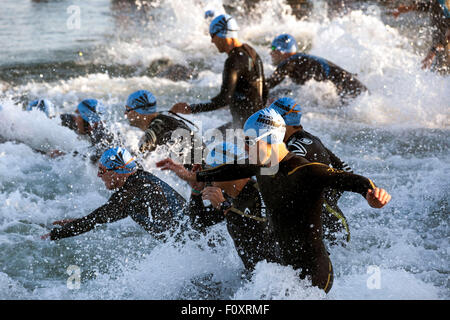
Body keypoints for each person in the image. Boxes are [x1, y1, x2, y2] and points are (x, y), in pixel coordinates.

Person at [156, 108, 391, 293]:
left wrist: (372, 193)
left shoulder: (306, 170)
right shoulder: (261, 166)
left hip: (314, 275)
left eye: (248, 141)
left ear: (267, 139)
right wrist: (195, 176)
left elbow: (352, 180)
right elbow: (230, 170)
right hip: (283, 271)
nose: (245, 147)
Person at [41, 147, 186, 241]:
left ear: (117, 172)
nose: (98, 175)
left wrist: (53, 236)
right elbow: (99, 217)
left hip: (194, 243)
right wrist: (82, 221)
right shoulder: (139, 181)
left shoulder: (134, 191)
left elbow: (96, 219)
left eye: (102, 171)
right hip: (192, 242)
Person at [267, 97, 352, 244]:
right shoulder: (310, 139)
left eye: (270, 121)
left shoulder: (297, 148)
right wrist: (329, 199)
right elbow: (344, 169)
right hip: (332, 222)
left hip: (328, 228)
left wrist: (323, 201)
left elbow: (278, 185)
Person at [186, 142, 279, 271]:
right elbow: (199, 222)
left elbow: (262, 232)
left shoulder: (260, 192)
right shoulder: (229, 196)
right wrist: (196, 192)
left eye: (212, 171)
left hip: (275, 279)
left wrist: (225, 208)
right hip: (254, 278)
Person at [169, 14, 267, 130]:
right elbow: (264, 90)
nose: (212, 41)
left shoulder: (233, 61)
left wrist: (191, 109)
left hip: (244, 130)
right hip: (257, 124)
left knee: (207, 142)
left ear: (223, 34)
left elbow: (223, 99)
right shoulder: (251, 51)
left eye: (212, 35)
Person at [266, 34, 368, 100]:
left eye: (273, 48)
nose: (271, 53)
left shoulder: (290, 62)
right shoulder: (300, 60)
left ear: (282, 51)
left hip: (347, 86)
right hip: (352, 84)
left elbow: (268, 84)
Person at [124, 90, 202, 165]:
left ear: (139, 112)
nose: (125, 113)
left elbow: (138, 159)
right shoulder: (163, 120)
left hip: (199, 172)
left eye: (128, 109)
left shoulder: (157, 126)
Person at [393, 0, 449, 72]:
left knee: (443, 71)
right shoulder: (438, 3)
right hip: (439, 50)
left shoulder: (444, 4)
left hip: (442, 50)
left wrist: (433, 52)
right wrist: (407, 8)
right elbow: (429, 6)